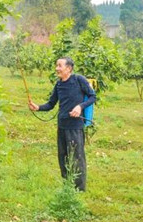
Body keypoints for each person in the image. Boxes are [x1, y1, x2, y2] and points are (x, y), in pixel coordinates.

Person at [28, 57, 96, 191]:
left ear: (68, 68)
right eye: (56, 65)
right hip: (62, 126)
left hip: (75, 127)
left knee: (77, 158)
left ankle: (79, 189)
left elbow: (93, 96)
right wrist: (38, 107)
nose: (56, 68)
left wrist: (80, 107)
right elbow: (51, 104)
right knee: (63, 157)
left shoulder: (79, 80)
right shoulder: (59, 84)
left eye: (59, 66)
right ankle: (67, 185)